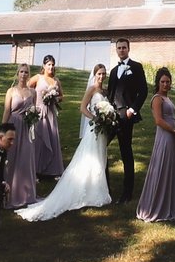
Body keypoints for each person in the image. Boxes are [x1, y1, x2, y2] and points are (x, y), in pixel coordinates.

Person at [18, 65, 116, 222]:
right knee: (89, 158)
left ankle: (96, 186)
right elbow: (83, 108)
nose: (101, 76)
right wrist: (95, 118)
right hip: (94, 129)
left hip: (102, 130)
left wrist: (108, 117)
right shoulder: (91, 89)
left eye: (103, 74)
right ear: (95, 74)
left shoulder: (105, 91)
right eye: (99, 73)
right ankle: (85, 188)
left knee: (100, 158)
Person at [134, 68, 175, 224]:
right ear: (158, 83)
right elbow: (158, 120)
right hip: (166, 137)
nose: (165, 84)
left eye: (168, 81)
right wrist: (174, 130)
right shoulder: (157, 99)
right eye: (163, 82)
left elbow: (171, 117)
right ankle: (163, 205)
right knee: (166, 170)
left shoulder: (167, 98)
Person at [105, 37, 149, 202]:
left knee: (126, 152)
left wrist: (132, 109)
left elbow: (143, 91)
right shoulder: (114, 71)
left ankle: (127, 192)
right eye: (119, 48)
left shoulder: (136, 67)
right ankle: (104, 187)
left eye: (124, 47)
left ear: (128, 49)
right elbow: (110, 94)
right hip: (111, 117)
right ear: (116, 50)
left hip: (126, 116)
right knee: (100, 147)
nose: (121, 50)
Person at [22, 55, 64, 188]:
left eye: (52, 64)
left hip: (51, 113)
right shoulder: (38, 78)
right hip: (39, 113)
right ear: (44, 66)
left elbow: (61, 96)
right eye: (48, 64)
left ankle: (53, 170)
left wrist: (54, 98)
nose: (51, 67)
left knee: (52, 139)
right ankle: (35, 171)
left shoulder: (56, 80)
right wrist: (31, 102)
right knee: (38, 142)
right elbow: (26, 88)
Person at [2, 73, 40, 209]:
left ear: (28, 75)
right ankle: (9, 193)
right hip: (13, 126)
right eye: (22, 72)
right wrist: (3, 130)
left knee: (26, 158)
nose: (24, 74)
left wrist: (33, 117)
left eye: (26, 72)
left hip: (27, 128)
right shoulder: (11, 91)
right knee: (11, 158)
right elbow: (7, 111)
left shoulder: (33, 92)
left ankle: (26, 193)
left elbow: (34, 109)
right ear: (18, 74)